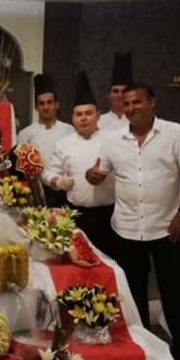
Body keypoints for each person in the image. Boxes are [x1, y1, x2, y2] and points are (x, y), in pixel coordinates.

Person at [86, 82, 180, 360]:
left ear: (152, 102)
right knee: (132, 296)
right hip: (126, 228)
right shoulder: (113, 140)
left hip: (168, 227)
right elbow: (99, 173)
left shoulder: (176, 133)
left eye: (137, 102)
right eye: (127, 103)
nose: (131, 108)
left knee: (176, 292)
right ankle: (140, 352)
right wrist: (91, 176)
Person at [42, 71, 117, 257]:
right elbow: (47, 173)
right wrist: (58, 182)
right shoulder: (64, 144)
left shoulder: (113, 141)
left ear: (98, 116)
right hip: (76, 216)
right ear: (73, 118)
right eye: (79, 114)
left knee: (109, 262)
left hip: (109, 215)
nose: (83, 118)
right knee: (78, 261)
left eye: (88, 113)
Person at [17, 73, 74, 206]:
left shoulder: (69, 130)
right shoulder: (25, 134)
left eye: (49, 102)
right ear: (36, 107)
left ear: (57, 104)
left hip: (64, 191)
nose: (46, 107)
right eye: (41, 103)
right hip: (36, 192)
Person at [98, 52, 131, 133]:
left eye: (124, 91)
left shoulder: (139, 122)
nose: (119, 95)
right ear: (109, 95)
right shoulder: (98, 123)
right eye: (115, 91)